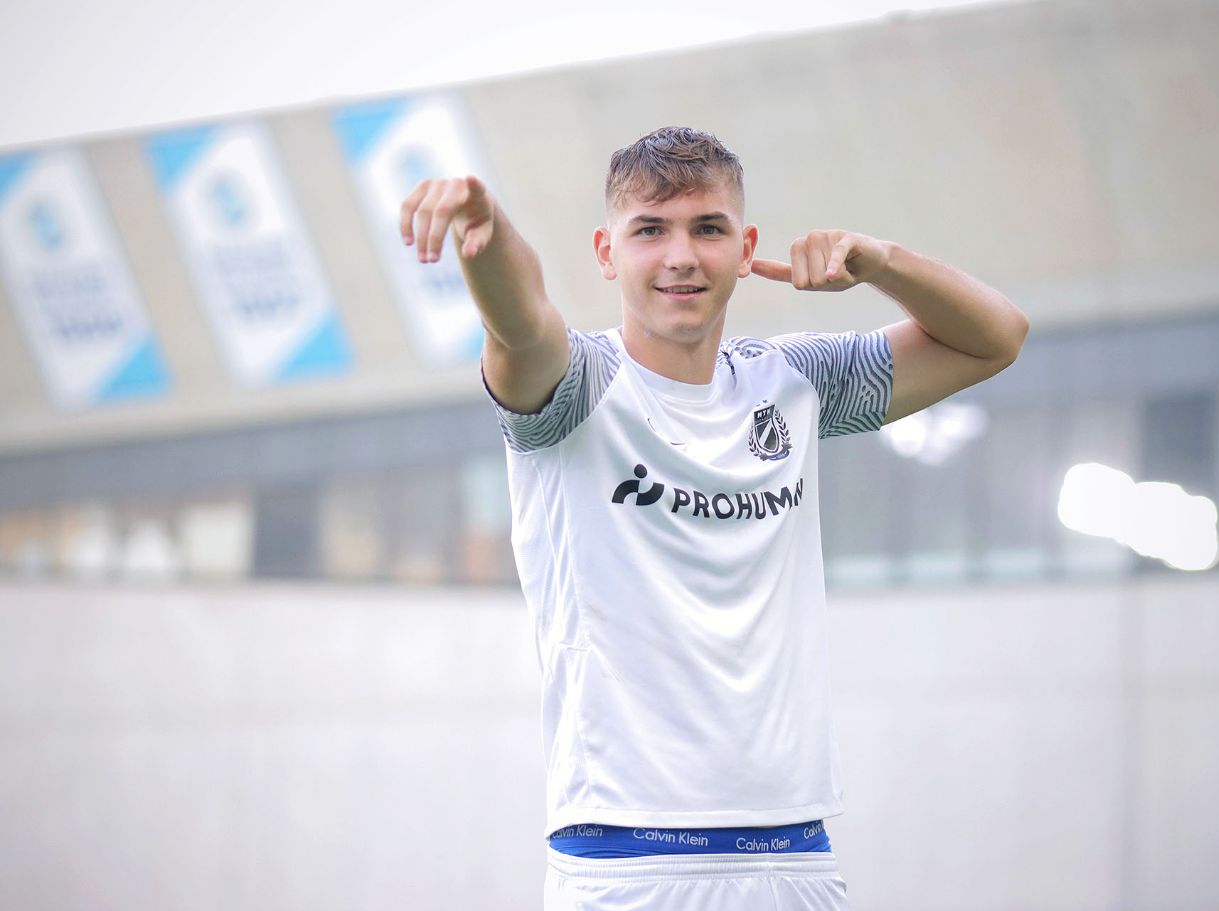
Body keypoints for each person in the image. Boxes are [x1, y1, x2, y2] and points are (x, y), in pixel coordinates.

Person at [400, 126, 1028, 911]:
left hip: (794, 856)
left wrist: (881, 262)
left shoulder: (793, 382)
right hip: (626, 862)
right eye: (649, 230)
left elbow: (996, 337)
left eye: (707, 228)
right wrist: (486, 230)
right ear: (606, 251)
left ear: (745, 247)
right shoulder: (574, 388)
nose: (681, 256)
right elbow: (521, 322)